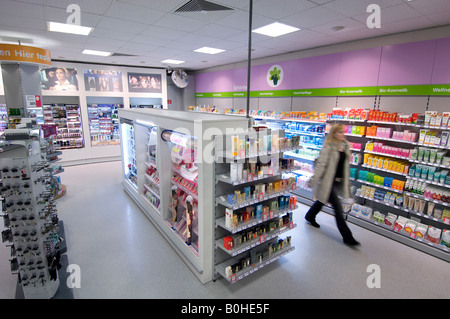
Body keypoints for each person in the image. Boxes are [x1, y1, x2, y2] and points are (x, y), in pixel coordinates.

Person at [305, 123, 360, 246]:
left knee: (322, 200)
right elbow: (321, 165)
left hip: (338, 181)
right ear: (334, 133)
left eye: (343, 132)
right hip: (327, 181)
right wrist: (312, 180)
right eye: (340, 132)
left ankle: (309, 215)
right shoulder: (328, 147)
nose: (343, 134)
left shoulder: (345, 146)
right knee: (338, 208)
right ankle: (347, 237)